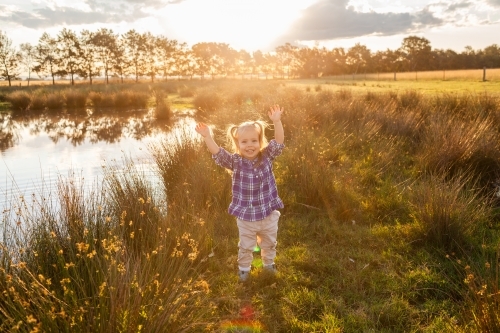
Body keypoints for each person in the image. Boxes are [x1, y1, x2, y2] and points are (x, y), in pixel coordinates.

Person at [195, 105, 285, 282]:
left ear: (260, 142)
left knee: (269, 243)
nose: (249, 145)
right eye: (244, 142)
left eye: (254, 141)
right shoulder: (235, 162)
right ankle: (244, 270)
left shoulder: (267, 156)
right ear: (237, 144)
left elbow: (279, 142)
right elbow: (218, 153)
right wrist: (208, 136)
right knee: (245, 246)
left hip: (268, 214)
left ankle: (268, 264)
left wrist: (277, 121)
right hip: (246, 217)